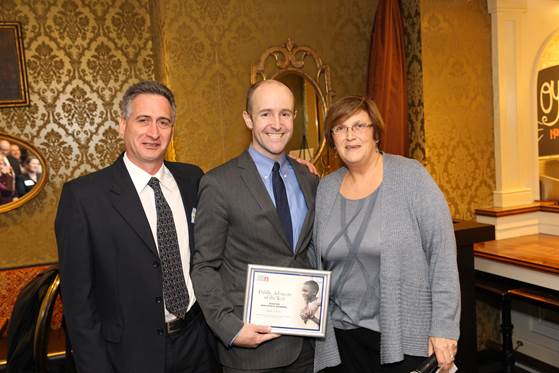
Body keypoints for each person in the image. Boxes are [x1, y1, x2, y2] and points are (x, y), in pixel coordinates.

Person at [55, 81, 219, 373]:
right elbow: (79, 304)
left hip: (198, 345)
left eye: (163, 122)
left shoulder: (194, 179)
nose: (154, 133)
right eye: (143, 120)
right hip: (129, 357)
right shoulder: (84, 197)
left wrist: (285, 166)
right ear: (122, 124)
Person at [313, 96, 459, 373]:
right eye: (340, 128)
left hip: (403, 336)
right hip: (343, 338)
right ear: (332, 139)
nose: (350, 136)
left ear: (375, 133)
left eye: (359, 126)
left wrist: (444, 327)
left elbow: (442, 253)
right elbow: (315, 260)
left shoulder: (411, 177)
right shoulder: (326, 189)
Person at [191, 79, 319, 373]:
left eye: (285, 113)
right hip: (253, 352)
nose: (276, 123)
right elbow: (204, 266)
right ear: (248, 119)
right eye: (265, 114)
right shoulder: (219, 184)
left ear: (294, 118)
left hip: (308, 346)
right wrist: (231, 329)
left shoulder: (308, 179)